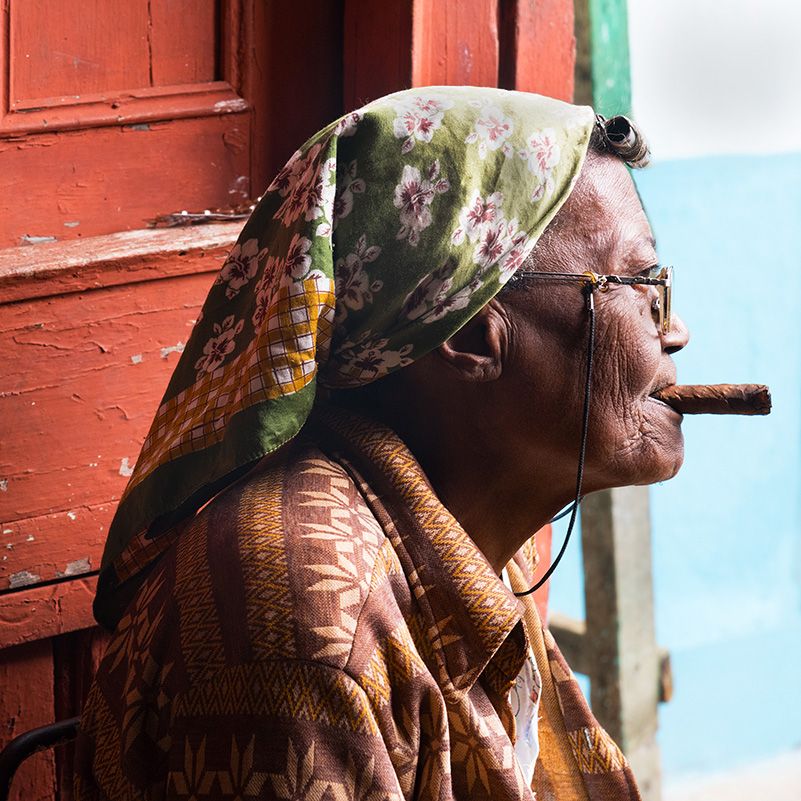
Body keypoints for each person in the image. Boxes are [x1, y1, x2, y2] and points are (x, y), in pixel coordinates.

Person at [75, 87, 688, 801]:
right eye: (638, 284)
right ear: (469, 334)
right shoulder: (310, 622)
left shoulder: (474, 520)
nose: (674, 331)